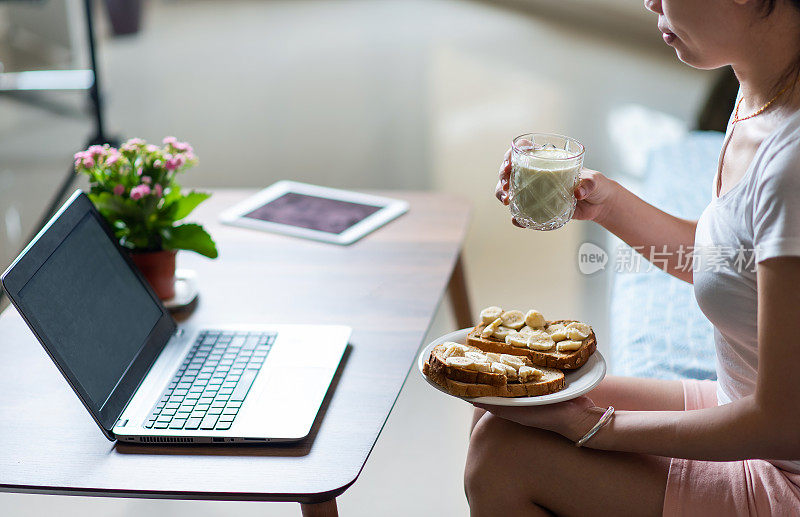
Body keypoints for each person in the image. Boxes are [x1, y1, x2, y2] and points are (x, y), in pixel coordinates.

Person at [465, 0, 800, 515]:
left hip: (784, 461)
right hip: (746, 407)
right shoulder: (762, 89)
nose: (650, 1)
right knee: (505, 410)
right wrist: (609, 204)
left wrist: (596, 427)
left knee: (501, 455)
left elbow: (782, 422)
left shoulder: (792, 164)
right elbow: (734, 266)